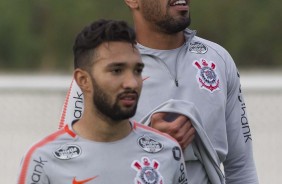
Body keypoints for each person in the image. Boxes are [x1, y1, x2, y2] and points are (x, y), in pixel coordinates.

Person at [59, 1, 259, 183]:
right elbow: (69, 166)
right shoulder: (99, 69)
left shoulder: (218, 60)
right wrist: (146, 145)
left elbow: (241, 168)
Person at [17, 19, 188, 184]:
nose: (132, 83)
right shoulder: (42, 161)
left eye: (137, 70)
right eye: (116, 70)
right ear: (83, 80)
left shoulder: (167, 152)